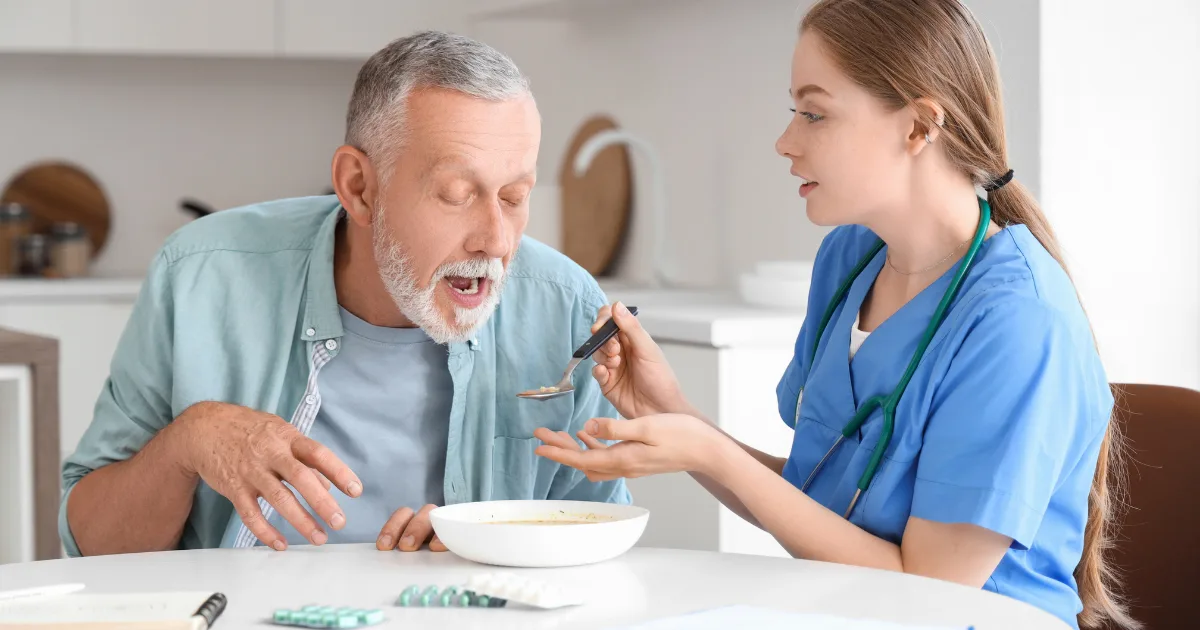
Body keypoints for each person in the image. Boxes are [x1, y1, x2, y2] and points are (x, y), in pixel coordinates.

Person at [533, 1, 1135, 629]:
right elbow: (816, 500)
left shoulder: (1018, 323)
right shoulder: (850, 259)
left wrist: (709, 451)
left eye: (814, 113)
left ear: (918, 127)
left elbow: (928, 592)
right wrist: (672, 414)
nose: (785, 141)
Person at [59, 30, 629, 558]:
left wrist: (486, 544)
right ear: (359, 187)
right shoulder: (199, 276)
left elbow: (603, 550)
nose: (497, 240)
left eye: (513, 196)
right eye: (456, 195)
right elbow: (93, 548)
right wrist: (188, 443)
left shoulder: (565, 308)